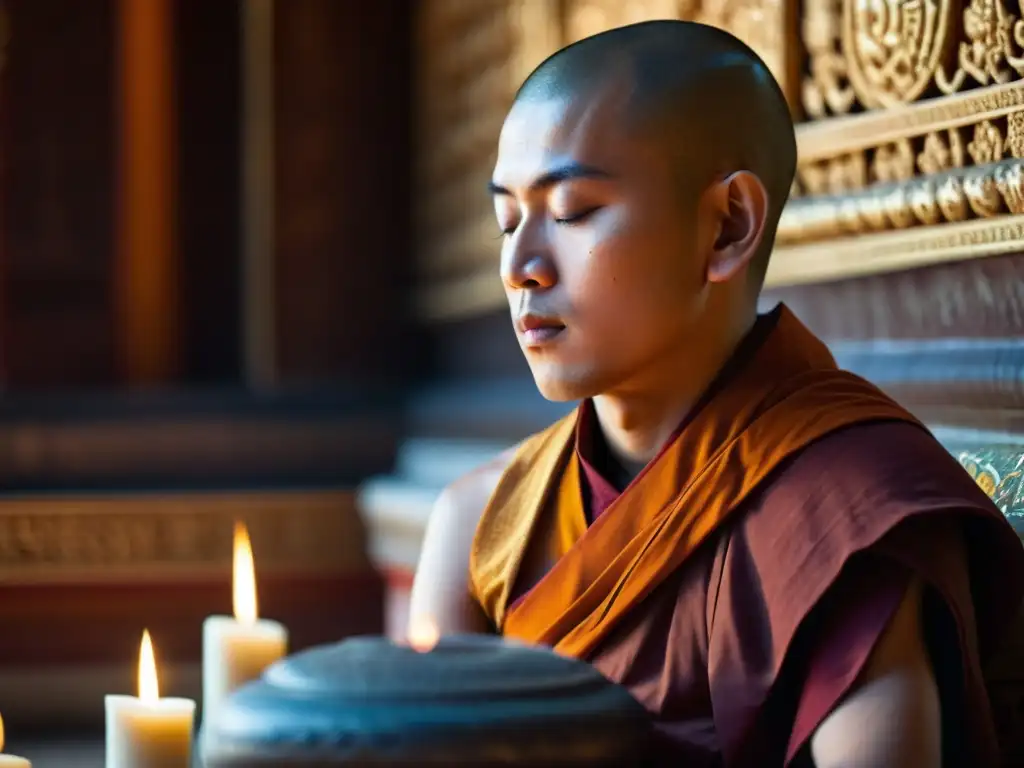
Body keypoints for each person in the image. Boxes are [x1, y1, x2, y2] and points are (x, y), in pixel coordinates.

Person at [409, 19, 1024, 767]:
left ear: (728, 226)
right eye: (507, 219)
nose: (521, 266)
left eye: (571, 211)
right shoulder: (481, 527)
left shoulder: (849, 512)